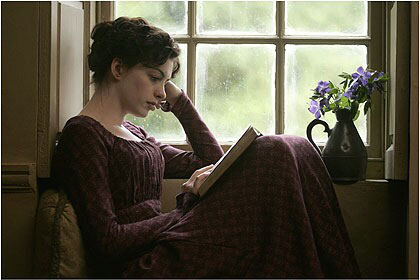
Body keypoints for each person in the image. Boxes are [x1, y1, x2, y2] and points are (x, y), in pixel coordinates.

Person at [51, 17, 361, 278]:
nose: (161, 93)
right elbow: (108, 241)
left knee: (293, 147)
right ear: (118, 69)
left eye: (166, 83)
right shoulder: (84, 134)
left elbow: (215, 161)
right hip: (142, 265)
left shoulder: (136, 135)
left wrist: (180, 102)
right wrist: (185, 210)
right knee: (274, 152)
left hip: (168, 240)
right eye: (154, 78)